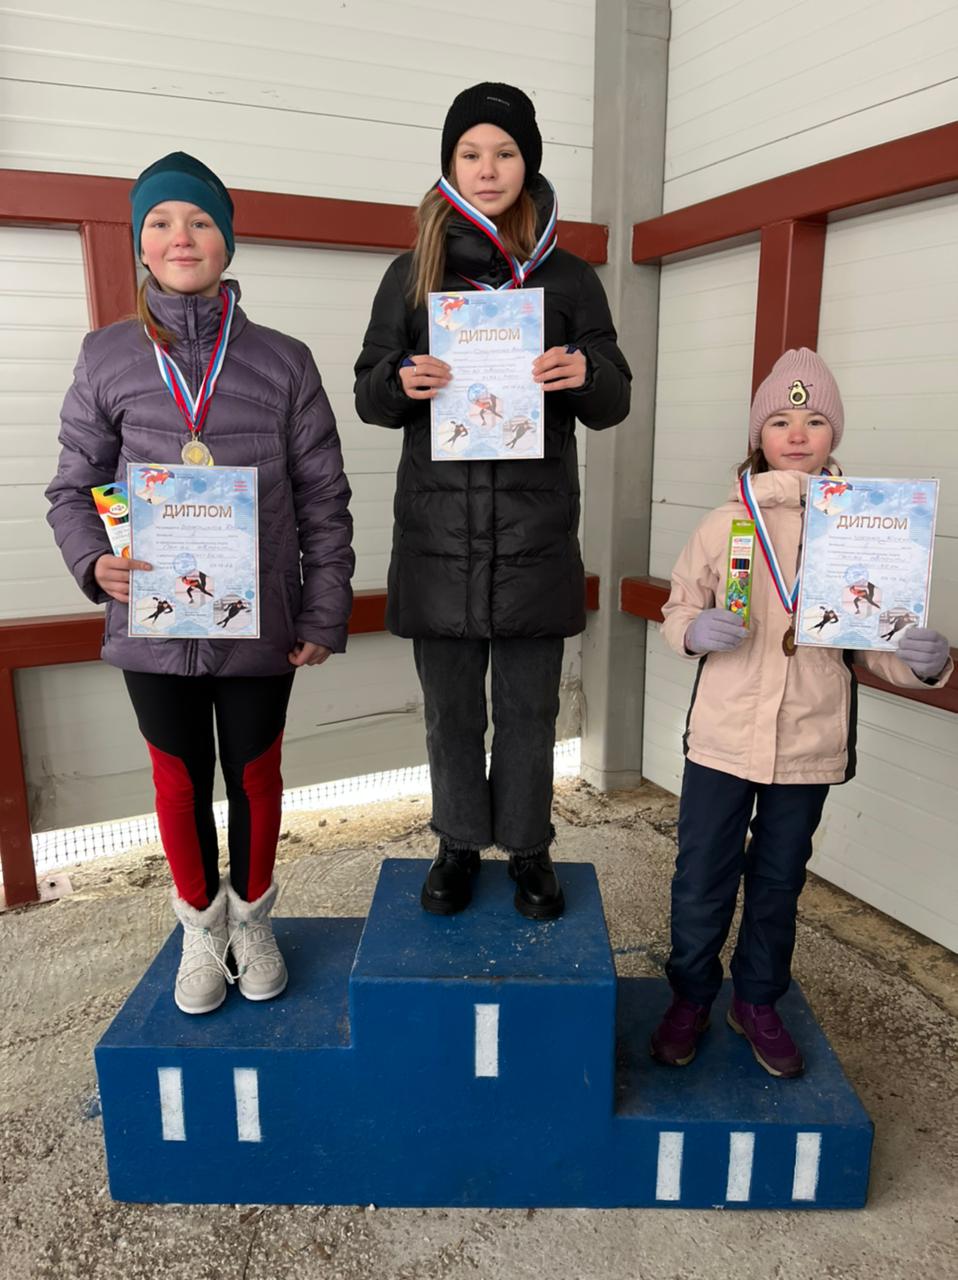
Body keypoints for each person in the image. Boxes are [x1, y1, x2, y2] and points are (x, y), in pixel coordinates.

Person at [47, 152, 354, 1014]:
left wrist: (323, 609)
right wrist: (93, 562)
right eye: (160, 222)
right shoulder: (106, 356)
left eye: (200, 220)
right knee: (179, 782)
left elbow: (324, 497)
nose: (180, 237)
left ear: (227, 240)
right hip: (150, 622)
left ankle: (252, 922)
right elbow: (73, 487)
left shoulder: (285, 362)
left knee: (255, 778)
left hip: (259, 622)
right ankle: (199, 928)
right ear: (140, 244)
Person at [354, 83, 631, 920]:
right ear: (450, 165)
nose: (487, 168)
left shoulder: (569, 277)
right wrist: (400, 379)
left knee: (528, 710)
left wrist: (586, 372)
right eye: (470, 153)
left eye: (505, 152)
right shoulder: (412, 274)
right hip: (438, 542)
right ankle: (458, 841)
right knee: (449, 714)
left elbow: (614, 395)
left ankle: (530, 846)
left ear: (527, 163)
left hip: (534, 542)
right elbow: (368, 392)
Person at [650, 348, 952, 1077]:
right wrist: (691, 630)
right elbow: (679, 606)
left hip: (810, 741)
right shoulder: (723, 524)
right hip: (722, 739)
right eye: (781, 420)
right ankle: (691, 995)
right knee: (702, 877)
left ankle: (756, 1001)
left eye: (815, 420)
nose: (797, 433)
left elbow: (873, 643)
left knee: (779, 881)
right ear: (759, 434)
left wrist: (920, 660)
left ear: (833, 435)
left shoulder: (867, 529)